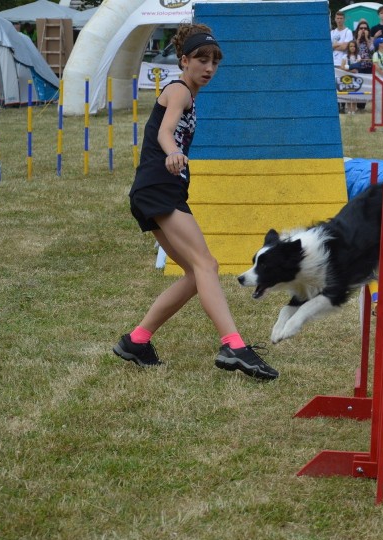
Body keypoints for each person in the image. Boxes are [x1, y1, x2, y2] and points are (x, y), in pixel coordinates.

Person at [113, 23, 278, 379]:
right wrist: (172, 153)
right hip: (159, 187)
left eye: (215, 62)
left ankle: (137, 341)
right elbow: (164, 131)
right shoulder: (179, 91)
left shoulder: (190, 93)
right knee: (206, 264)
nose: (209, 68)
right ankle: (234, 346)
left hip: (153, 190)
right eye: (201, 59)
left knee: (194, 273)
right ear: (184, 60)